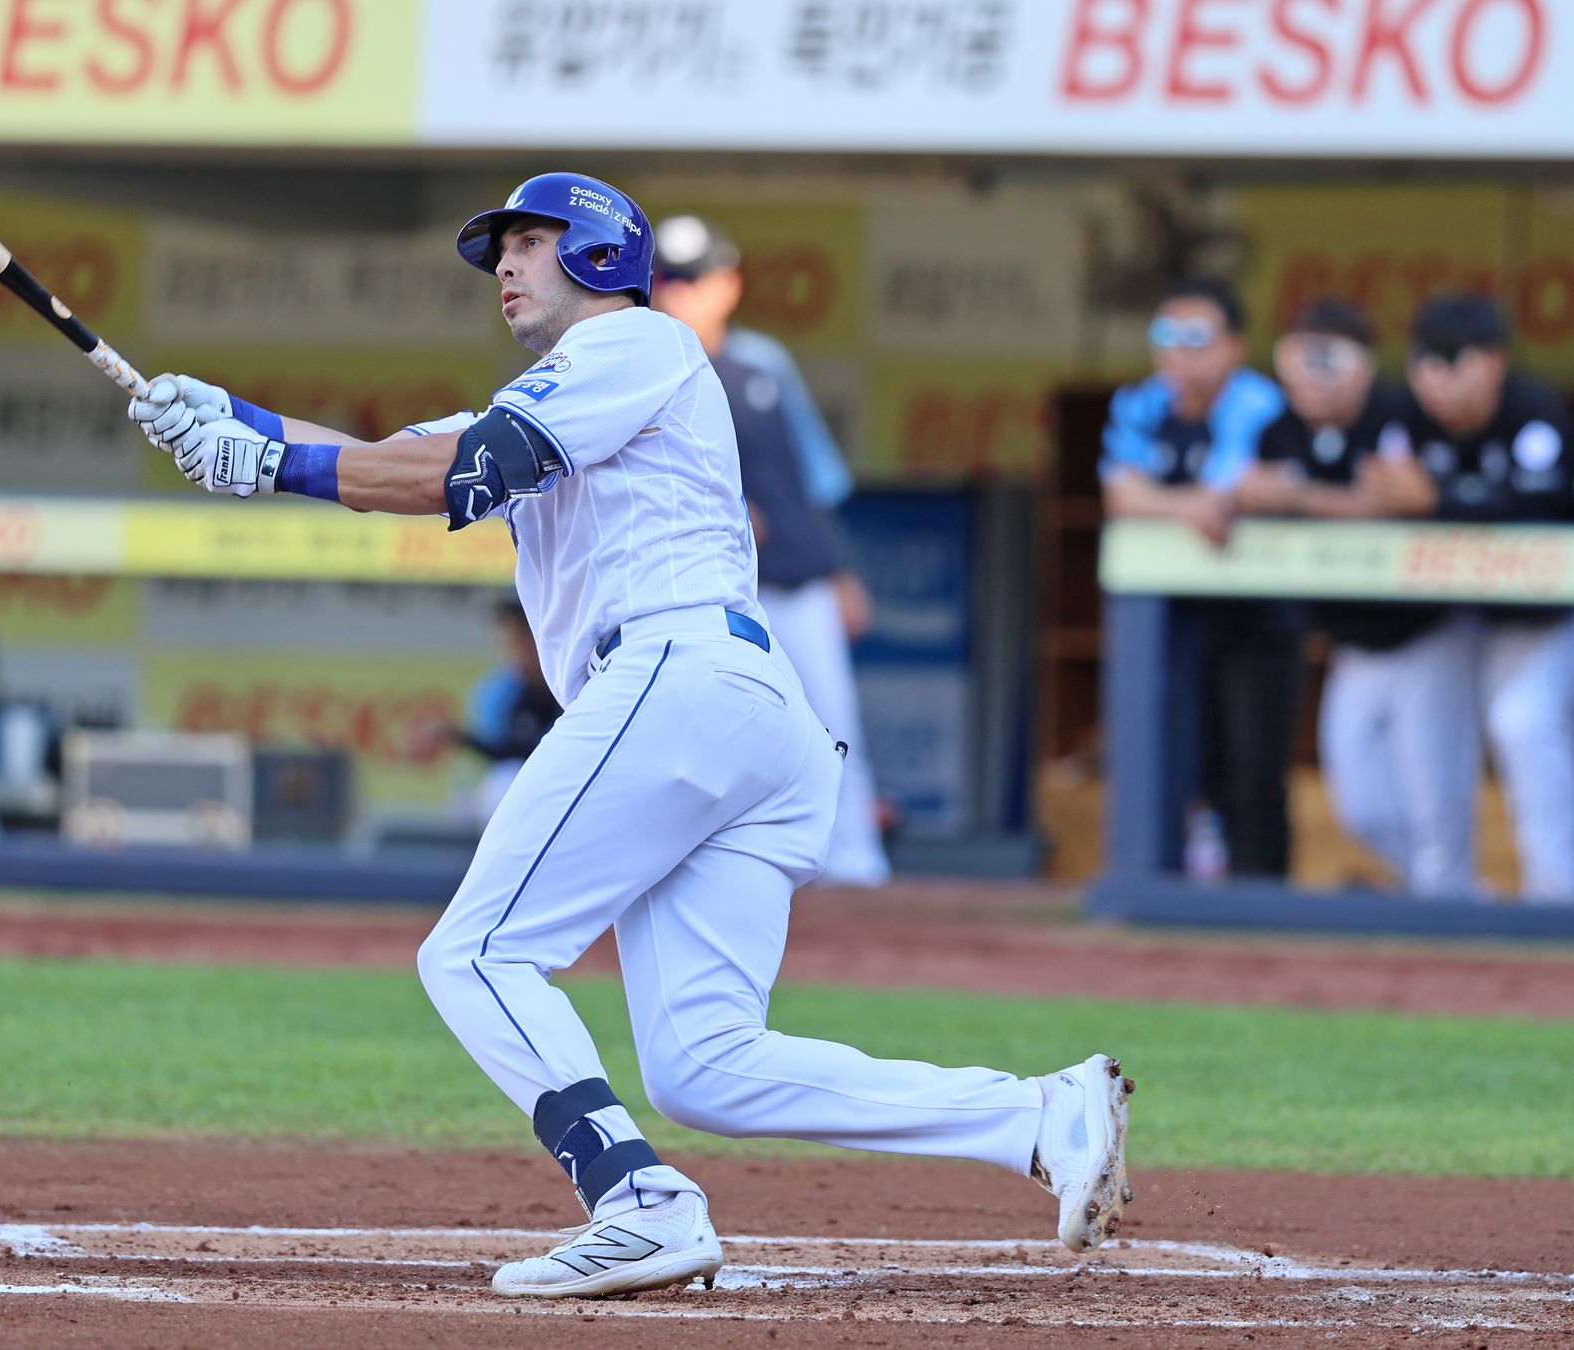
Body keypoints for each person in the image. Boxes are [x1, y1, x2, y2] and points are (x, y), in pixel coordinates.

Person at [127, 173, 1132, 1298]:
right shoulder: (558, 390)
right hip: (736, 717)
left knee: (474, 952)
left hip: (675, 680)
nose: (503, 266)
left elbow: (446, 476)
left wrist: (267, 460)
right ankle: (1035, 1116)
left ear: (600, 254)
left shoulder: (635, 345)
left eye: (528, 242)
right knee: (706, 1065)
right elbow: (384, 462)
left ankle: (638, 1202)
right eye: (497, 250)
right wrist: (227, 422)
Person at [649, 214, 891, 885]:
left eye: (695, 279)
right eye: (667, 280)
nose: (681, 293)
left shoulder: (763, 364)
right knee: (697, 746)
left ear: (728, 284)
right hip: (713, 595)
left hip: (795, 578)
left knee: (834, 727)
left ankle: (854, 865)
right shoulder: (641, 365)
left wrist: (840, 570)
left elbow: (812, 478)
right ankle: (711, 868)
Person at [1232, 298, 1476, 896]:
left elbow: (1397, 504)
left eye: (1330, 359)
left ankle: (1454, 924)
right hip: (1352, 644)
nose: (1313, 376)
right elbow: (1258, 507)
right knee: (1360, 805)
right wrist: (1289, 496)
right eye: (1299, 358)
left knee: (1436, 805)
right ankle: (1445, 895)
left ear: (1365, 365)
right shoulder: (1277, 430)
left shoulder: (1402, 414)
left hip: (1429, 632)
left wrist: (1296, 495)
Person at [1372, 295, 1574, 902]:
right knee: (1404, 746)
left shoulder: (1533, 411)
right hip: (1455, 618)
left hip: (1547, 615)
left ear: (1492, 362)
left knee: (1522, 723)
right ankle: (1448, 893)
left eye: (1450, 362)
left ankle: (1556, 897)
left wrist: (1437, 503)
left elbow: (1539, 513)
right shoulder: (1405, 416)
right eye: (1423, 362)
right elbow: (1380, 498)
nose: (1433, 378)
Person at [1100, 277, 1292, 877]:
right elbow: (1120, 493)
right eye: (1166, 335)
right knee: (1174, 757)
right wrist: (1186, 507)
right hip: (1172, 620)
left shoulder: (1261, 402)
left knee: (1252, 766)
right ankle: (1168, 891)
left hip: (1258, 619)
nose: (1179, 351)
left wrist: (1169, 500)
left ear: (1234, 345)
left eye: (1197, 337)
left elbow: (1229, 491)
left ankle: (1263, 898)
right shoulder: (1141, 402)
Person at [454, 596, 563, 826]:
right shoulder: (502, 691)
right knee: (499, 785)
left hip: (567, 800)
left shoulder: (582, 685)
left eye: (526, 635)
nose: (519, 646)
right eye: (515, 637)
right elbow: (505, 754)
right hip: (521, 812)